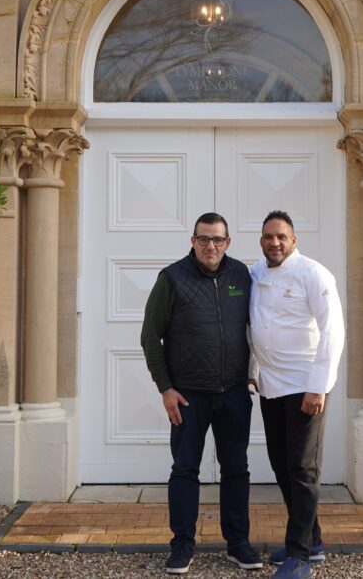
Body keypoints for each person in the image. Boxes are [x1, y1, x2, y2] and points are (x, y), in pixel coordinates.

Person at [140, 212, 263, 575]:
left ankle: (238, 544)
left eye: (218, 240)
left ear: (228, 243)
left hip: (234, 394)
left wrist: (256, 375)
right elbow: (150, 337)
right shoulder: (171, 278)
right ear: (193, 241)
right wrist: (165, 388)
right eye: (204, 239)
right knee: (185, 470)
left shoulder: (242, 275)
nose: (211, 246)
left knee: (236, 470)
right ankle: (182, 546)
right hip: (188, 397)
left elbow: (263, 325)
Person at [250, 210, 345, 579]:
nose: (275, 242)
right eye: (269, 236)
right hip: (271, 386)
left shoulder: (314, 274)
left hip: (306, 386)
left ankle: (300, 556)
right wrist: (252, 375)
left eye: (282, 236)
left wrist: (318, 385)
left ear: (294, 240)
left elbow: (332, 332)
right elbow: (252, 327)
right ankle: (313, 539)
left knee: (303, 468)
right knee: (280, 464)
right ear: (261, 240)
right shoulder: (255, 273)